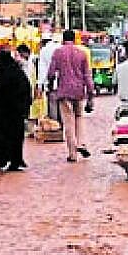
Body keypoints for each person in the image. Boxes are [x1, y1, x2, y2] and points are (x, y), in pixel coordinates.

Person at [47, 29, 95, 162]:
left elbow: (51, 72)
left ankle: (72, 153)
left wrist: (50, 85)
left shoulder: (58, 52)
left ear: (63, 39)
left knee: (68, 122)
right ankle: (81, 143)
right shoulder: (82, 53)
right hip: (79, 91)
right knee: (79, 117)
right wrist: (91, 94)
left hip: (64, 92)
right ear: (75, 39)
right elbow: (87, 75)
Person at [0, 49, 33, 172]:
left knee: (2, 136)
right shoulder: (18, 73)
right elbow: (26, 92)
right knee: (16, 137)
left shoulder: (4, 74)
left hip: (4, 113)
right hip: (17, 112)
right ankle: (15, 161)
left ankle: (3, 160)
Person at [37, 33, 61, 125]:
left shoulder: (44, 51)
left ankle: (55, 128)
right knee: (62, 107)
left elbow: (42, 70)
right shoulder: (59, 47)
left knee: (52, 106)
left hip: (51, 82)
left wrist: (40, 85)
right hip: (62, 83)